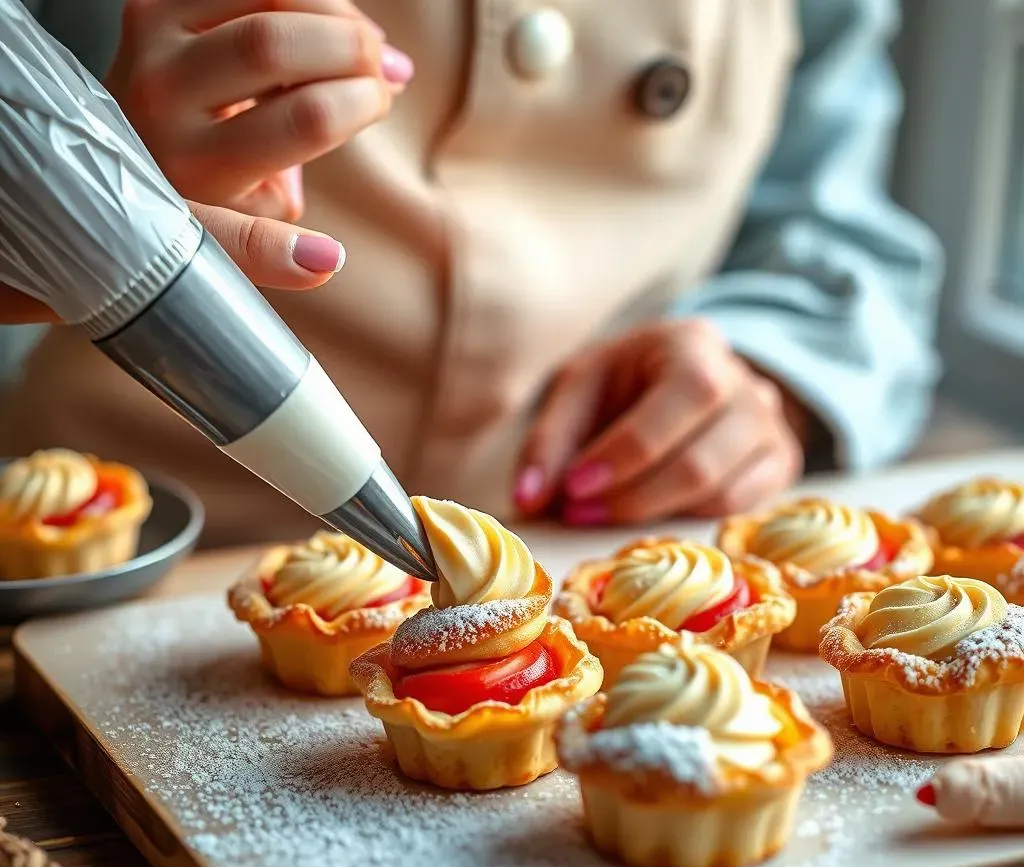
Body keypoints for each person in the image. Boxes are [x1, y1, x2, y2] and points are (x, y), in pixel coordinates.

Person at [0, 0, 943, 548]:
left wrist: (768, 375)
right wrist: (61, 180)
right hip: (92, 590)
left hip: (600, 558)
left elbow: (844, 231)